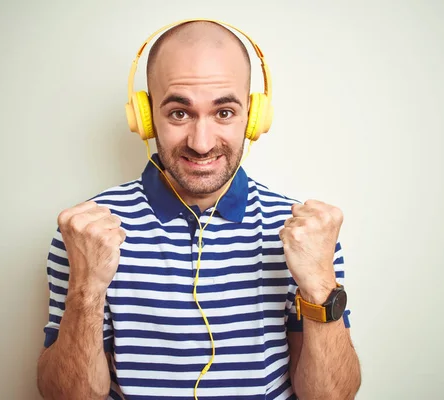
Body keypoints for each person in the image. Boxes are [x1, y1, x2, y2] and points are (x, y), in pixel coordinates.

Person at [36, 19, 361, 400]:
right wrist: (86, 291)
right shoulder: (87, 232)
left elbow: (331, 398)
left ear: (255, 118)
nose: (202, 143)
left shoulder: (304, 231)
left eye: (224, 112)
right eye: (179, 113)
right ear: (144, 116)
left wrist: (321, 283)